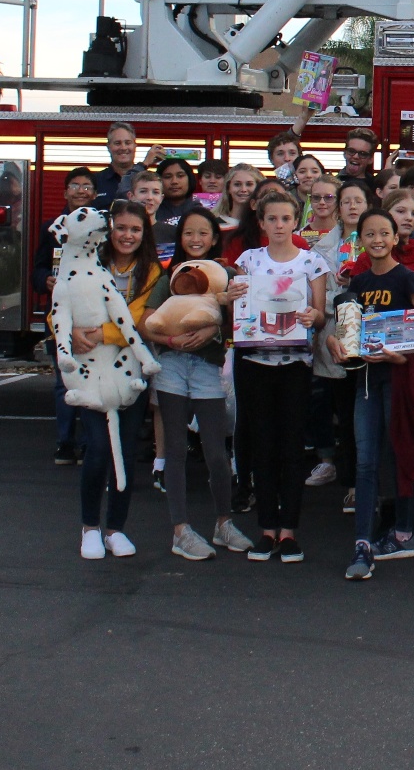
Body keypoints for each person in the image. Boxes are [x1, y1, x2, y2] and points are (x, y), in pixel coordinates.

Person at [336, 209, 414, 580]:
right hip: (366, 380)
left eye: (385, 233)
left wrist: (403, 353)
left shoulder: (406, 277)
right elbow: (346, 332)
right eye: (370, 233)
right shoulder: (358, 280)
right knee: (366, 461)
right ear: (361, 240)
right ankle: (362, 543)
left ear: (396, 238)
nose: (378, 239)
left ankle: (403, 532)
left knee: (401, 454)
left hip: (399, 380)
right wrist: (336, 344)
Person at [146, 206, 251, 561]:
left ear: (214, 237)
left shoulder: (228, 274)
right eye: (189, 233)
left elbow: (242, 320)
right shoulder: (172, 273)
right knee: (175, 448)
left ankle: (224, 523)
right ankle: (181, 531)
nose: (195, 239)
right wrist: (172, 340)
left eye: (203, 233)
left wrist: (214, 328)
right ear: (180, 238)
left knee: (217, 451)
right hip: (172, 364)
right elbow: (148, 321)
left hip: (208, 366)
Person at [232, 189, 328, 562]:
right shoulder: (248, 260)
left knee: (291, 445)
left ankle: (289, 530)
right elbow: (239, 308)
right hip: (254, 363)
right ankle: (266, 528)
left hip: (294, 366)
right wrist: (232, 299)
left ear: (295, 221)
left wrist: (311, 316)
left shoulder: (312, 262)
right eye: (271, 218)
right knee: (261, 444)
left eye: (286, 218)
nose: (279, 225)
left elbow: (319, 315)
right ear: (261, 222)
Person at [70, 199, 162, 559]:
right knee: (97, 449)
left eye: (135, 229)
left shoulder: (152, 271)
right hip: (90, 371)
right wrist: (68, 333)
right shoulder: (88, 260)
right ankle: (89, 528)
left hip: (129, 374)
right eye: (121, 228)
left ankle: (115, 529)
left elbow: (138, 320)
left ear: (144, 233)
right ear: (109, 229)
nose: (127, 235)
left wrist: (100, 333)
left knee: (124, 450)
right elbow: (60, 304)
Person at [35, 166, 97, 465]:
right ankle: (65, 443)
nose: (81, 190)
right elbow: (37, 267)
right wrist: (44, 279)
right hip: (60, 313)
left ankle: (88, 443)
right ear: (65, 192)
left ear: (95, 195)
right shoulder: (52, 228)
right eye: (75, 185)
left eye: (87, 186)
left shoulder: (101, 229)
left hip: (92, 314)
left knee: (90, 379)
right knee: (64, 381)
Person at [151, 157, 197, 260]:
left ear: (190, 178)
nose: (174, 181)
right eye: (167, 177)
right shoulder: (151, 209)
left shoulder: (199, 210)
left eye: (180, 176)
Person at [92, 121, 146, 204]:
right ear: (108, 147)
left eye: (128, 143)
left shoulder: (149, 180)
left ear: (135, 146)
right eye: (117, 143)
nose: (123, 148)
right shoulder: (95, 181)